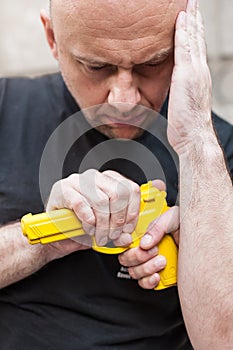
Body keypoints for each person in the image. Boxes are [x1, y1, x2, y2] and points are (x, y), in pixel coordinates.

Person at [0, 0, 232, 349]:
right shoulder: (6, 110)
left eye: (153, 63)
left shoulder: (217, 154)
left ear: (187, 47)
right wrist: (42, 241)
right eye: (96, 66)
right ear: (52, 38)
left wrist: (197, 140)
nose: (124, 100)